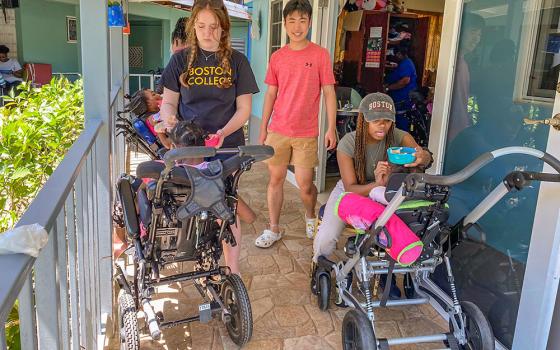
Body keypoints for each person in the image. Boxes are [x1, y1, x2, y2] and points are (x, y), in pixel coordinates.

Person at [158, 0, 259, 274]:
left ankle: (232, 269)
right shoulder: (180, 60)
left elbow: (244, 109)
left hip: (227, 147)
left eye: (214, 27)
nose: (207, 33)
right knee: (190, 199)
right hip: (189, 148)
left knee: (226, 203)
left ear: (223, 28)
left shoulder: (238, 61)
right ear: (193, 27)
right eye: (201, 26)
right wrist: (169, 117)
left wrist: (223, 132)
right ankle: (194, 249)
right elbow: (168, 102)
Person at [312, 92, 432, 298]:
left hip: (384, 191)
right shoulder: (348, 143)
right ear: (363, 119)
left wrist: (422, 157)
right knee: (326, 238)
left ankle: (388, 276)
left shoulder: (400, 137)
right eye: (376, 120)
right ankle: (319, 266)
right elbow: (350, 187)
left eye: (387, 121)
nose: (382, 126)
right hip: (353, 190)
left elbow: (425, 158)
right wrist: (376, 183)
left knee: (393, 228)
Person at [254, 0, 338, 248]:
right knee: (275, 179)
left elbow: (329, 93)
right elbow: (270, 94)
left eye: (302, 20)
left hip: (306, 133)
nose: (297, 26)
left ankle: (311, 215)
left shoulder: (320, 54)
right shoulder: (278, 57)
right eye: (292, 21)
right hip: (278, 130)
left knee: (304, 184)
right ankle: (274, 228)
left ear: (310, 22)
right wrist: (263, 128)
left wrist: (330, 127)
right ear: (286, 24)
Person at [447, 13, 484, 142]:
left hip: (459, 129)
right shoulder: (453, 64)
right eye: (473, 32)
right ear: (460, 31)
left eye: (479, 35)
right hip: (450, 129)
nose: (476, 39)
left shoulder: (463, 64)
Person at [384, 43, 417, 131]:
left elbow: (404, 81)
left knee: (401, 123)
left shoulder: (406, 64)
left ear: (399, 54)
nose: (395, 57)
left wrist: (388, 88)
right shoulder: (404, 63)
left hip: (403, 99)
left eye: (395, 55)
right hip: (399, 99)